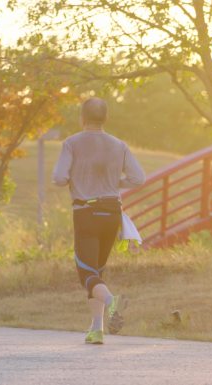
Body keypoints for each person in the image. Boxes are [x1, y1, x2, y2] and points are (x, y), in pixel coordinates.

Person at [52, 97, 145, 344]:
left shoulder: (71, 143)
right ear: (105, 118)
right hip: (112, 212)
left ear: (82, 118)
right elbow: (138, 178)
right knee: (97, 273)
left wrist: (78, 179)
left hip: (86, 213)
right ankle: (96, 329)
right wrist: (114, 182)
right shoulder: (119, 145)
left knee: (87, 275)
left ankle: (111, 301)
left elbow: (59, 178)